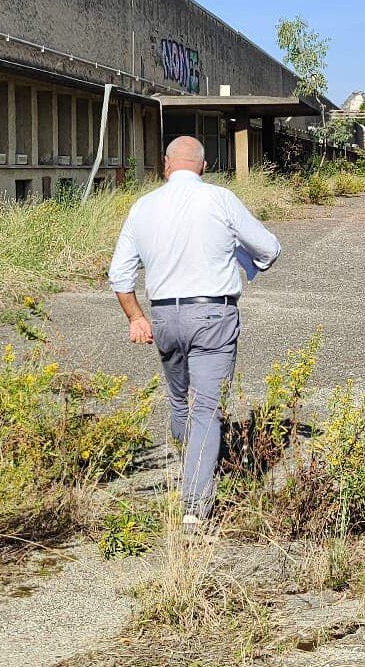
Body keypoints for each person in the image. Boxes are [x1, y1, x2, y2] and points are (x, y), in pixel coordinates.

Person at [108, 136, 282, 530]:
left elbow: (119, 274)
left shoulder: (143, 206)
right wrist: (242, 255)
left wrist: (135, 317)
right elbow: (269, 249)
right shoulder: (220, 200)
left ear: (166, 165)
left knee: (179, 404)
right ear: (203, 167)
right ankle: (194, 506)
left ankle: (192, 466)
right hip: (213, 315)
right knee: (206, 409)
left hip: (164, 317)